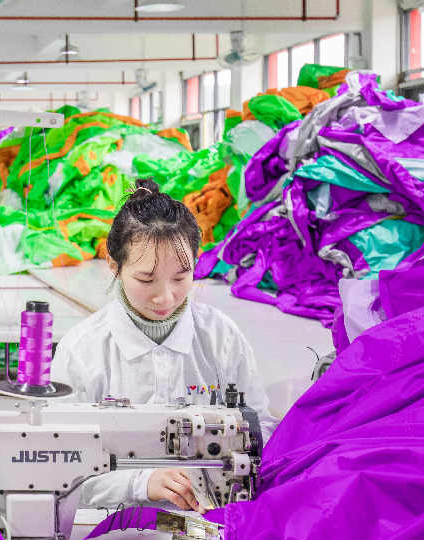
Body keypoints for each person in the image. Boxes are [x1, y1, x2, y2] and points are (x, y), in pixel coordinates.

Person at [51, 179, 277, 513]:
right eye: (146, 279)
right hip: (112, 529)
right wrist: (139, 483)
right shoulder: (82, 351)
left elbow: (261, 430)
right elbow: (58, 466)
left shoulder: (221, 338)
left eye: (181, 277)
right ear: (114, 266)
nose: (165, 297)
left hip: (209, 522)